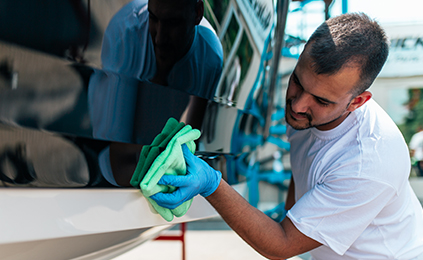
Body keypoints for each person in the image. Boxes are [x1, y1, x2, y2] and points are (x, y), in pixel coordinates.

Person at [150, 13, 423, 259]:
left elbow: (281, 245)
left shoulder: (368, 163)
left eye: (321, 100)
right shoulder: (307, 112)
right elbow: (302, 166)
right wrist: (294, 216)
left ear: (357, 102)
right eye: (297, 81)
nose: (297, 105)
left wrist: (212, 184)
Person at [95, 0, 223, 187]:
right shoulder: (123, 36)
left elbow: (188, 145)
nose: (159, 38)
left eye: (172, 23)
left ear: (197, 13)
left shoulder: (209, 59)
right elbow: (116, 153)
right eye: (153, 19)